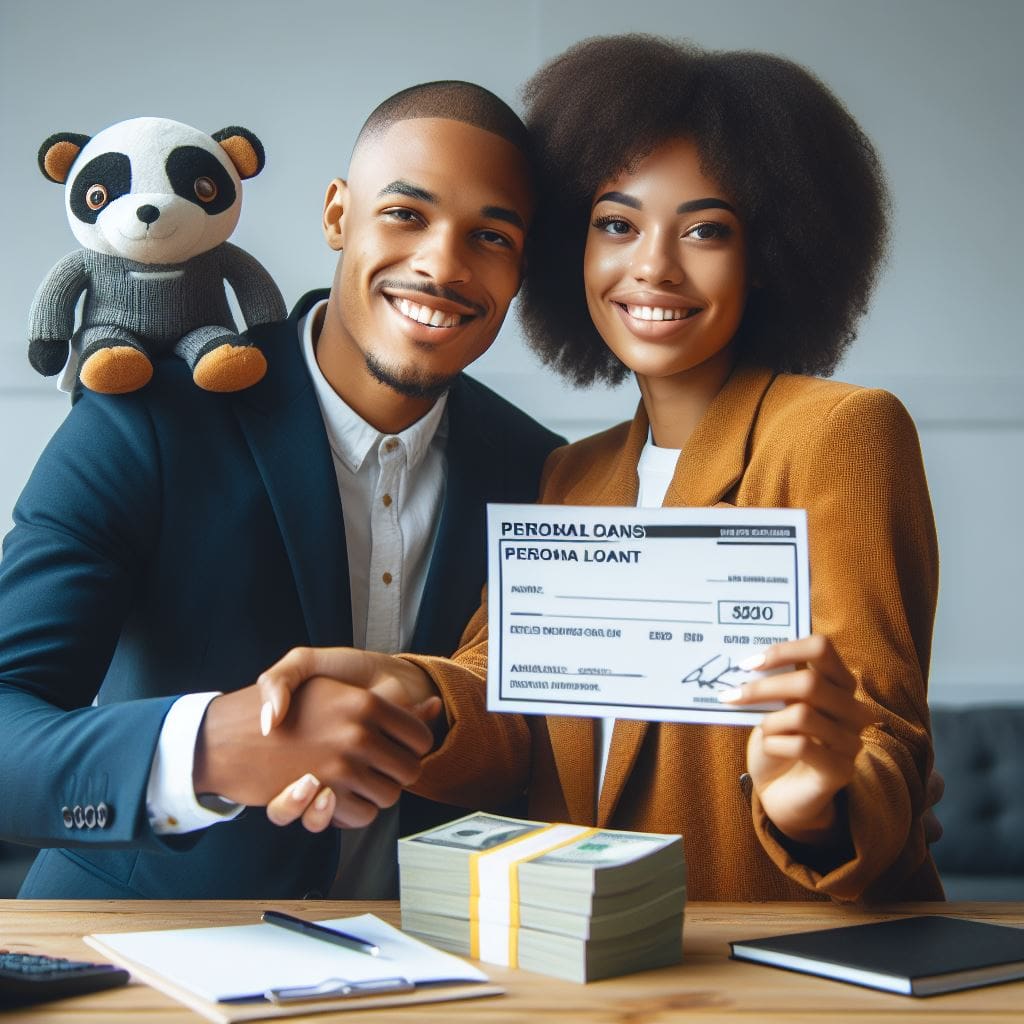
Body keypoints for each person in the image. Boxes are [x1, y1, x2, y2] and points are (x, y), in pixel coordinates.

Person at [258, 37, 944, 903]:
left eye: (705, 229)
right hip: (591, 955)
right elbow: (507, 700)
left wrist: (816, 802)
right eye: (616, 224)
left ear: (770, 253)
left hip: (780, 965)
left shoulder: (841, 433)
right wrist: (404, 684)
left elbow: (884, 734)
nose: (651, 265)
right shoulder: (570, 475)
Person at [0, 81, 563, 899]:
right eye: (406, 214)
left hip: (433, 976)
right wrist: (205, 749)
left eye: (491, 235)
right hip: (133, 962)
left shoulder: (542, 475)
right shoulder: (146, 418)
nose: (443, 265)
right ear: (339, 214)